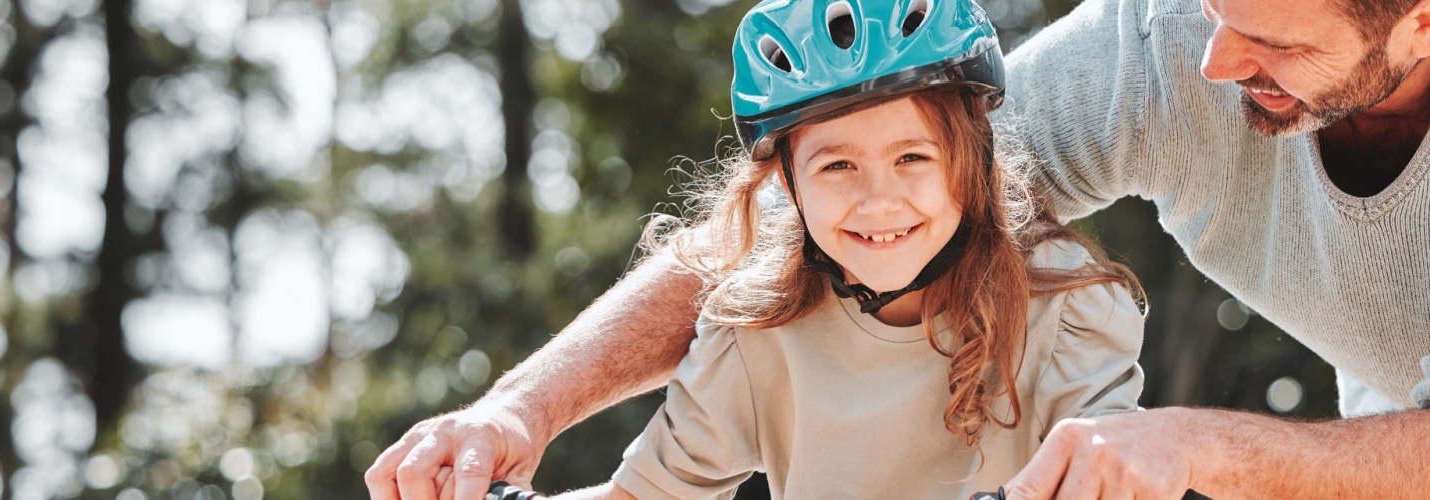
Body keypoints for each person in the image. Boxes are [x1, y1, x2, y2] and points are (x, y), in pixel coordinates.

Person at [368, 0, 1430, 497]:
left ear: (1426, 20)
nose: (1213, 68)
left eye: (1270, 39)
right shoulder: (1171, 39)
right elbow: (846, 228)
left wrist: (1182, 446)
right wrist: (526, 409)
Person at [373, 0, 1150, 498]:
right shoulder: (756, 335)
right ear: (785, 182)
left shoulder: (1068, 307)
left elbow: (1113, 474)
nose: (878, 200)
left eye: (914, 158)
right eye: (837, 165)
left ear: (972, 162)